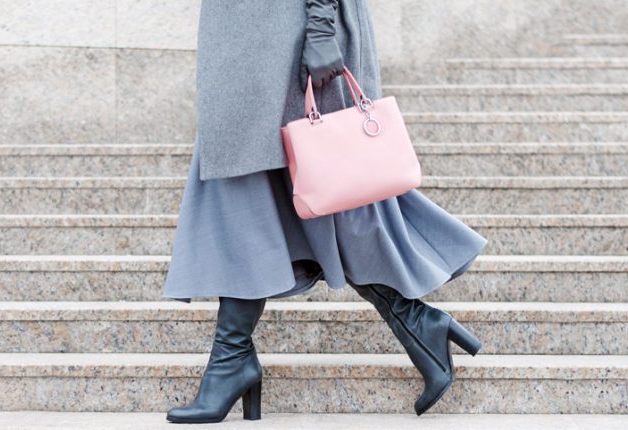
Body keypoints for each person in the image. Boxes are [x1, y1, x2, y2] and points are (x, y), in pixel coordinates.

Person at [163, 0, 488, 424]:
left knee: (338, 199)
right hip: (244, 40)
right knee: (242, 196)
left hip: (299, 30)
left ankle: (235, 360)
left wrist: (319, 28)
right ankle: (233, 360)